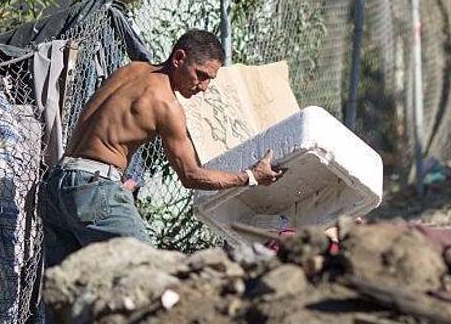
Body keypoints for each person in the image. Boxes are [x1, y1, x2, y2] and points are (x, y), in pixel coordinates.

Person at [40, 29, 281, 266]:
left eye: (210, 79)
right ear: (179, 59)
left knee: (64, 292)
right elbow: (191, 175)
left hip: (59, 184)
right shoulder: (166, 104)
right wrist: (251, 177)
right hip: (95, 189)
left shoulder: (130, 70)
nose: (204, 86)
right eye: (201, 75)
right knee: (152, 273)